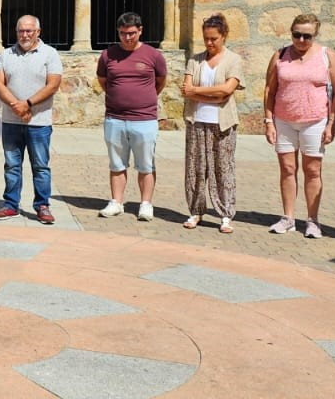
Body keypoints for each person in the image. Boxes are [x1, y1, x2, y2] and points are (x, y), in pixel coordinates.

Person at [263, 13, 335, 238]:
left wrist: (331, 123)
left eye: (306, 36)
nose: (300, 40)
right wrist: (269, 121)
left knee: (312, 170)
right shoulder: (280, 55)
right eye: (296, 35)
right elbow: (270, 90)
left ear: (315, 35)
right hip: (284, 120)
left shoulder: (327, 56)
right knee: (287, 169)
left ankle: (312, 220)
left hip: (315, 120)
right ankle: (288, 217)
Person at [0, 14, 63, 223]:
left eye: (29, 30)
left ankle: (42, 205)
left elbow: (53, 84)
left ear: (38, 32)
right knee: (12, 165)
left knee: (40, 166)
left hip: (39, 122)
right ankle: (11, 204)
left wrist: (28, 104)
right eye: (21, 31)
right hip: (11, 122)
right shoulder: (5, 54)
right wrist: (17, 105)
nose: (25, 34)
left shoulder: (50, 54)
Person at [97, 12, 168, 221]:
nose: (127, 38)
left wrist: (144, 98)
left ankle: (145, 204)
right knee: (116, 163)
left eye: (131, 33)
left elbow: (161, 81)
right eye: (123, 34)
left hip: (144, 119)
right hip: (115, 119)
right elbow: (103, 81)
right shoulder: (108, 55)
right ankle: (116, 202)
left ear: (140, 31)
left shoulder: (153, 55)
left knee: (145, 164)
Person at [179, 14, 244, 234]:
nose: (209, 43)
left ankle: (226, 214)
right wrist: (210, 95)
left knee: (222, 168)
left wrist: (197, 92)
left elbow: (226, 91)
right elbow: (186, 90)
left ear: (224, 36)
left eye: (214, 38)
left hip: (222, 124)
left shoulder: (233, 60)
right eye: (206, 38)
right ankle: (196, 210)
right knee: (196, 168)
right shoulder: (195, 60)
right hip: (197, 121)